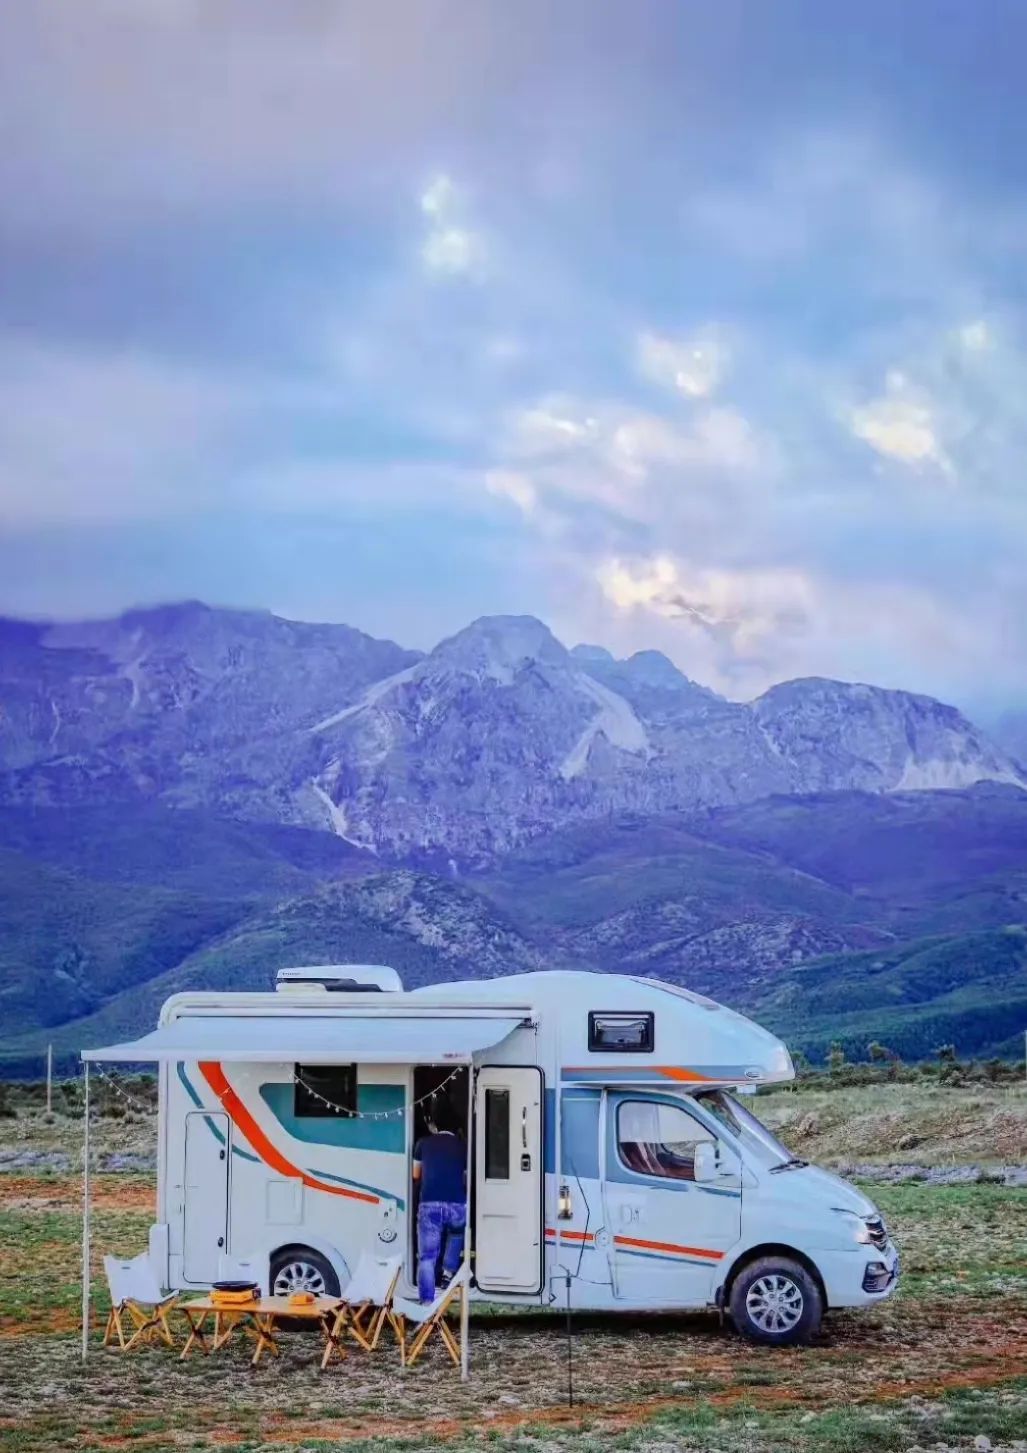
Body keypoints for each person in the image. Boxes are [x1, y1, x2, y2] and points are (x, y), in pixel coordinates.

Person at [412, 1102, 467, 1303]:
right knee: (457, 1232)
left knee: (427, 1256)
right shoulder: (463, 1147)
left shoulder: (422, 1144)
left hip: (429, 1203)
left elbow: (415, 1175)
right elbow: (466, 1178)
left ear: (434, 1125)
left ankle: (426, 1302)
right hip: (457, 1203)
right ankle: (447, 1272)